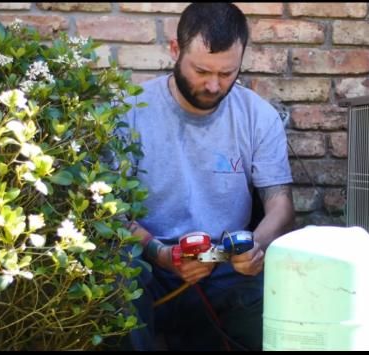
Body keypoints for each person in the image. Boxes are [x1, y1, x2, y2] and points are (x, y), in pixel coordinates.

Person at [120, 3, 295, 351]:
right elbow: (110, 211)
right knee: (118, 277)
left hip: (225, 266)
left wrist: (254, 248)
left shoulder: (258, 116)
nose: (214, 86)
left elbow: (281, 206)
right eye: (201, 71)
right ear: (175, 50)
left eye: (227, 73)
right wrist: (160, 254)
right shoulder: (130, 111)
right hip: (150, 263)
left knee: (276, 289)